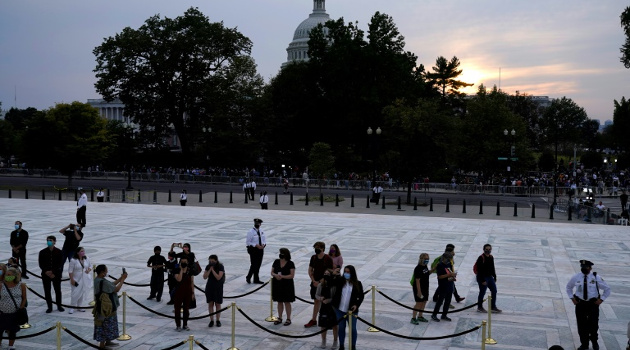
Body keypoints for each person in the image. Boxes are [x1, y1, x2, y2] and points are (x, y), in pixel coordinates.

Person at [565, 259, 611, 350]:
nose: (584, 269)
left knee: (593, 325)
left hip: (592, 305)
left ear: (590, 268)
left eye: (586, 267)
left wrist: (601, 300)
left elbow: (607, 289)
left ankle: (594, 342)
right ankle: (584, 344)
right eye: (582, 267)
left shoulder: (596, 277)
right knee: (581, 325)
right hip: (580, 304)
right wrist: (572, 298)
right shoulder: (576, 277)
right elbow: (568, 287)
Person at [93, 264, 127, 349]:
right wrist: (122, 280)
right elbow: (116, 289)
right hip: (106, 307)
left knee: (107, 324)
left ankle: (107, 341)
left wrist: (120, 278)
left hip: (104, 305)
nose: (107, 272)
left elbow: (111, 284)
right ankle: (102, 345)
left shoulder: (98, 280)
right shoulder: (102, 282)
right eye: (106, 270)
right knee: (104, 325)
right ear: (102, 272)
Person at [331, 265, 364, 350]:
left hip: (351, 312)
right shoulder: (340, 281)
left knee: (353, 329)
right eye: (345, 272)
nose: (346, 273)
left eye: (348, 272)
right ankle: (341, 345)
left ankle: (353, 346)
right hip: (340, 310)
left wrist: (356, 305)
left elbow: (361, 296)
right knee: (341, 328)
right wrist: (333, 274)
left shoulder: (358, 284)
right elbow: (330, 282)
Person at [305, 241, 334, 328]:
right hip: (314, 282)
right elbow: (310, 270)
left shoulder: (328, 258)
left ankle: (327, 319)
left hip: (324, 283)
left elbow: (329, 272)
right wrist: (313, 280)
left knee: (324, 301)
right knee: (316, 301)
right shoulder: (313, 258)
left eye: (318, 248)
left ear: (322, 249)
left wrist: (320, 282)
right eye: (315, 248)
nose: (316, 249)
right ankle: (314, 319)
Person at [0, 267, 27, 350]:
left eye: (9, 275)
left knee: (12, 330)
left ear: (15, 276)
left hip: (15, 312)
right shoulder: (1, 285)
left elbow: (24, 298)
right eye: (6, 275)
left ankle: (11, 345)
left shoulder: (21, 285)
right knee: (0, 329)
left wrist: (21, 308)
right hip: (2, 312)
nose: (7, 276)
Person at [38, 235, 64, 313]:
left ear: (54, 241)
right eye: (48, 240)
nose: (49, 241)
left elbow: (60, 263)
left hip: (56, 274)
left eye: (51, 240)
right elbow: (41, 264)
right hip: (46, 274)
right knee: (47, 291)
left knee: (57, 290)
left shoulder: (59, 252)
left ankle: (59, 305)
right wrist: (46, 271)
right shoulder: (42, 252)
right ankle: (49, 307)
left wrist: (53, 271)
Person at [271, 248, 295, 326]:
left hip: (287, 285)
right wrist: (275, 275)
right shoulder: (276, 262)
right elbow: (272, 272)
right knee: (279, 301)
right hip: (277, 284)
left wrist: (283, 277)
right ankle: (280, 317)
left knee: (287, 302)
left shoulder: (290, 263)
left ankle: (288, 318)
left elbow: (292, 275)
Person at [476, 244, 502, 313]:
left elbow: (492, 267)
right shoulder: (481, 258)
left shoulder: (491, 257)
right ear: (484, 249)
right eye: (486, 249)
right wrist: (482, 280)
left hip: (490, 277)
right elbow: (479, 270)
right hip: (483, 277)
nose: (488, 251)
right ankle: (479, 307)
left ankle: (493, 306)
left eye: (489, 249)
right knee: (482, 292)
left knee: (494, 290)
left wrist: (494, 276)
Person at [316, 268, 338, 349]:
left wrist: (329, 300)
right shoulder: (320, 284)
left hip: (332, 308)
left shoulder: (334, 286)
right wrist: (320, 298)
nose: (326, 275)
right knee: (323, 325)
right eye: (325, 273)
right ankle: (323, 340)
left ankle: (335, 341)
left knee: (335, 325)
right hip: (323, 307)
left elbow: (336, 297)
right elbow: (317, 295)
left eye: (328, 274)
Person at [431, 252, 456, 322]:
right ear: (443, 258)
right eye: (447, 259)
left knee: (448, 301)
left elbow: (450, 273)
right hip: (443, 286)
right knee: (440, 301)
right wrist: (448, 275)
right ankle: (434, 314)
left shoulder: (449, 264)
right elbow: (439, 276)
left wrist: (453, 276)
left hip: (450, 285)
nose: (448, 260)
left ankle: (444, 315)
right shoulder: (440, 265)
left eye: (450, 259)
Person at [68, 246, 93, 314]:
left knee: (81, 292)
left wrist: (88, 270)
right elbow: (70, 271)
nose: (83, 252)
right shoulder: (73, 260)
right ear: (77, 252)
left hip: (84, 278)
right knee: (75, 293)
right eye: (81, 251)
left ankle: (79, 305)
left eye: (83, 251)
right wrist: (72, 279)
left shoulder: (86, 258)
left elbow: (90, 266)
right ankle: (72, 306)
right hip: (76, 278)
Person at [173, 256, 195, 331]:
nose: (183, 263)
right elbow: (179, 279)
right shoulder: (176, 270)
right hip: (179, 292)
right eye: (182, 262)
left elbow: (192, 282)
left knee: (186, 309)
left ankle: (185, 324)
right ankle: (178, 325)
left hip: (187, 292)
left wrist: (193, 293)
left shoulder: (190, 271)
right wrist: (181, 270)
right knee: (177, 309)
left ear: (187, 262)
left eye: (185, 262)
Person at [203, 254, 225, 327]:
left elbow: (218, 277)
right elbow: (205, 277)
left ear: (216, 260)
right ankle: (211, 320)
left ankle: (218, 320)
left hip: (218, 287)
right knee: (210, 304)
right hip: (210, 287)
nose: (211, 262)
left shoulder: (220, 266)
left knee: (218, 304)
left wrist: (213, 270)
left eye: (213, 261)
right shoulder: (208, 266)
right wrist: (209, 269)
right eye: (210, 261)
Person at [411, 253, 431, 324]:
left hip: (425, 287)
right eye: (425, 259)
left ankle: (420, 316)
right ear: (421, 259)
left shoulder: (425, 266)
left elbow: (427, 273)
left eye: (428, 259)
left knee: (424, 301)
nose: (427, 260)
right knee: (419, 303)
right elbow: (417, 281)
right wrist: (419, 292)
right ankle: (413, 318)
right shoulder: (418, 268)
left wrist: (434, 268)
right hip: (419, 288)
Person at [245, 218, 266, 284]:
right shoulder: (251, 231)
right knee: (254, 264)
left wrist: (264, 245)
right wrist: (255, 245)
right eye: (256, 224)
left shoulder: (261, 231)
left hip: (261, 249)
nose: (257, 225)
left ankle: (256, 279)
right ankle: (248, 277)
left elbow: (264, 239)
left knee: (258, 264)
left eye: (258, 224)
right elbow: (248, 242)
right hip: (253, 250)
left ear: (260, 224)